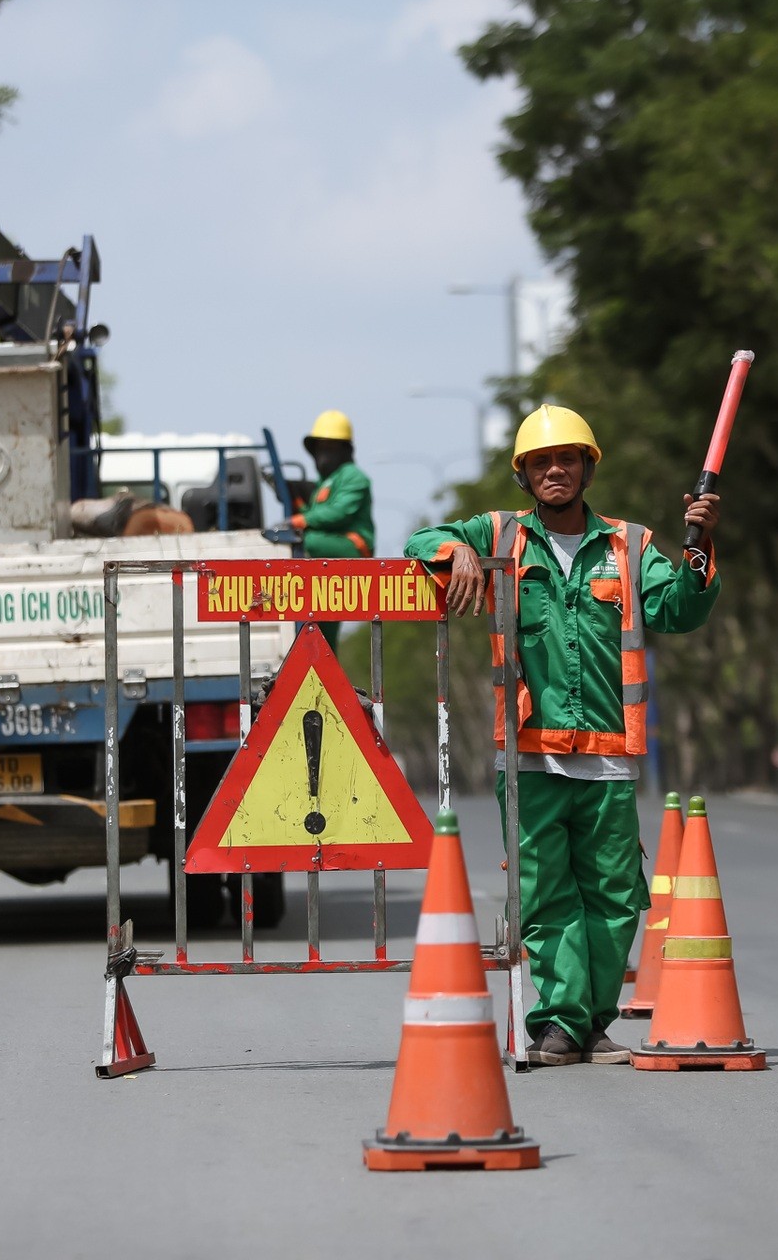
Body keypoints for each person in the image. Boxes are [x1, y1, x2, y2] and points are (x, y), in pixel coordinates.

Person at [404, 404, 721, 1066]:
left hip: (608, 757)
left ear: (587, 468)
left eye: (568, 459)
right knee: (547, 896)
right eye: (542, 462)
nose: (556, 470)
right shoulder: (497, 535)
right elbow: (420, 540)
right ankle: (560, 1022)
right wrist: (456, 549)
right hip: (530, 756)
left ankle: (586, 1024)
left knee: (614, 899)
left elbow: (679, 610)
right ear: (524, 475)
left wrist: (697, 547)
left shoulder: (629, 547)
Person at [288, 410, 375, 649]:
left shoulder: (354, 477)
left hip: (352, 546)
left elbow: (338, 513)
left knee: (303, 542)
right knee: (321, 621)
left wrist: (299, 521)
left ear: (345, 450)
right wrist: (295, 501)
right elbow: (315, 514)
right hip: (328, 555)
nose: (323, 456)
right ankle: (327, 675)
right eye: (320, 449)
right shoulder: (324, 483)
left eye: (330, 448)